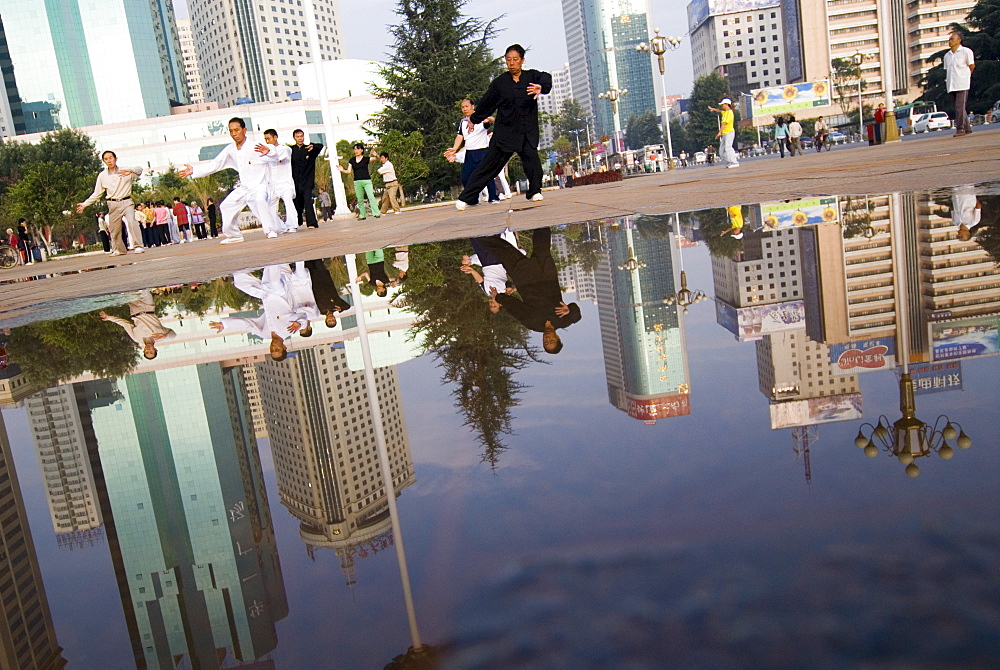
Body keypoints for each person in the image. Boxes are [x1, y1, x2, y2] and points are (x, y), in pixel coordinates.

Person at [455, 45, 552, 209]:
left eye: (515, 59)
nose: (512, 63)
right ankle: (465, 198)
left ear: (522, 60)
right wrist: (474, 119)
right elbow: (487, 102)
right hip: (505, 133)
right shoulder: (500, 83)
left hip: (527, 131)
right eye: (508, 60)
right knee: (489, 167)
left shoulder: (532, 76)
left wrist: (541, 87)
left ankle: (535, 191)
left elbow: (546, 77)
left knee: (532, 161)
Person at [471, 227, 581, 353]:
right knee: (542, 244)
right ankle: (541, 216)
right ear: (558, 337)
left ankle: (476, 232)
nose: (548, 338)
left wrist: (499, 297)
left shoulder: (533, 323)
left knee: (503, 251)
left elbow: (515, 308)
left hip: (524, 277)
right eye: (551, 340)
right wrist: (569, 310)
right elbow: (577, 316)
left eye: (546, 342)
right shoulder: (563, 320)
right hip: (545, 274)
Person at [178, 117, 281, 243]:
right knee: (226, 206)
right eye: (231, 131)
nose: (234, 134)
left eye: (237, 130)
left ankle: (270, 230)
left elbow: (274, 152)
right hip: (244, 189)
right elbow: (215, 164)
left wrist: (269, 150)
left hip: (259, 186)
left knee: (259, 200)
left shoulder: (256, 145)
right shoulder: (230, 149)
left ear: (244, 130)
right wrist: (194, 170)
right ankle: (234, 236)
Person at [210, 265, 308, 360]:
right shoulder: (289, 330)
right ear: (284, 347)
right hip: (278, 293)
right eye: (277, 349)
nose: (273, 347)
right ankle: (275, 256)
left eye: (272, 349)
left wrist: (225, 324)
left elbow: (247, 325)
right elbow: (304, 317)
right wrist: (300, 324)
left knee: (240, 283)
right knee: (272, 281)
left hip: (265, 295)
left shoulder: (264, 334)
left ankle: (236, 262)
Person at [76, 150, 145, 256]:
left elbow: (140, 170)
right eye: (106, 159)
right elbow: (97, 193)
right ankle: (119, 249)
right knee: (114, 229)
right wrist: (85, 204)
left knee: (131, 221)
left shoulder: (125, 171)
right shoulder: (102, 176)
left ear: (115, 158)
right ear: (104, 161)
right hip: (112, 204)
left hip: (126, 202)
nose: (109, 160)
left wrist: (130, 170)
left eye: (111, 158)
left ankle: (138, 246)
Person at [444, 98, 499, 204]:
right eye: (463, 107)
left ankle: (493, 197)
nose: (465, 109)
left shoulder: (481, 118)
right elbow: (460, 136)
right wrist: (454, 149)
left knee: (487, 175)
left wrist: (488, 119)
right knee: (465, 178)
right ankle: (473, 199)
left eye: (467, 106)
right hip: (469, 153)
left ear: (472, 107)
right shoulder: (462, 122)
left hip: (482, 151)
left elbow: (493, 119)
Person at [100, 291, 176, 360]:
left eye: (146, 352)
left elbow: (124, 324)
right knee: (143, 289)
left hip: (134, 309)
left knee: (127, 289)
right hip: (148, 306)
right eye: (151, 352)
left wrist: (109, 318)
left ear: (144, 350)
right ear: (155, 350)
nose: (148, 350)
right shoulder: (159, 336)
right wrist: (165, 336)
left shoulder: (136, 338)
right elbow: (174, 335)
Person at [261, 128, 298, 233]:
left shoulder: (285, 149)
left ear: (275, 137)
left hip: (285, 183)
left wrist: (267, 153)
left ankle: (292, 225)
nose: (267, 142)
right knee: (269, 208)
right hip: (273, 185)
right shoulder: (266, 152)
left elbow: (277, 156)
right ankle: (280, 227)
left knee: (288, 200)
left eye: (268, 138)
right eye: (265, 139)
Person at [336, 143, 381, 221]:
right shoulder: (352, 160)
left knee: (371, 196)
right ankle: (362, 215)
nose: (356, 151)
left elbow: (376, 159)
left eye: (358, 149)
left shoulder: (366, 159)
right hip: (357, 181)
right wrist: (342, 170)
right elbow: (349, 171)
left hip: (367, 180)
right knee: (359, 199)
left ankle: (376, 213)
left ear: (362, 150)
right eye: (355, 149)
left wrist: (376, 155)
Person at [290, 129, 323, 228]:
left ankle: (312, 223)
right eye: (298, 137)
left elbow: (320, 146)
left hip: (307, 181)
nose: (300, 138)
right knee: (297, 203)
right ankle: (298, 220)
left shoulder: (309, 149)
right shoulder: (291, 150)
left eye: (301, 136)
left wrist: (313, 145)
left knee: (308, 201)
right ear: (294, 138)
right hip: (295, 181)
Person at [945, 31, 975, 137]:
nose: (950, 41)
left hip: (962, 83)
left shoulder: (966, 52)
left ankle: (960, 128)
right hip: (951, 84)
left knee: (959, 107)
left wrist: (966, 76)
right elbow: (947, 70)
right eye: (949, 39)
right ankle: (967, 128)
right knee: (960, 107)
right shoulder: (947, 56)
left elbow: (971, 65)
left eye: (952, 39)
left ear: (959, 40)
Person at [304, 258, 351, 328]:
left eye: (329, 321)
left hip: (313, 281)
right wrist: (341, 309)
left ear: (326, 320)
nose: (331, 319)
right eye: (333, 320)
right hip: (324, 277)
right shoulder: (336, 307)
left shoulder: (319, 311)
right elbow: (348, 306)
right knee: (317, 260)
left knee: (306, 262)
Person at [708, 98, 739, 168]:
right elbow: (720, 111)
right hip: (725, 134)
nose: (722, 106)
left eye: (722, 105)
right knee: (721, 151)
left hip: (729, 132)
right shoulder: (725, 112)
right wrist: (713, 109)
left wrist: (719, 133)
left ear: (726, 104)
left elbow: (724, 124)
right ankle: (729, 162)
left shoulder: (729, 113)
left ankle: (734, 162)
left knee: (728, 148)